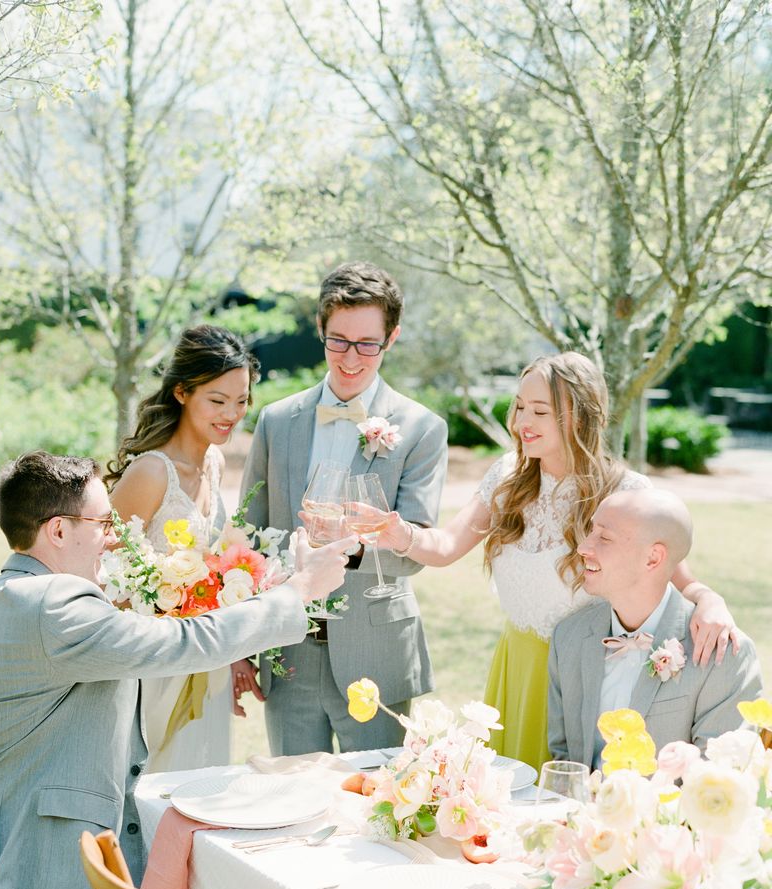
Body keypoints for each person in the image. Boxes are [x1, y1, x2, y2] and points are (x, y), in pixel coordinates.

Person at [0, 451, 353, 889]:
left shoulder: (5, 594)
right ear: (59, 532)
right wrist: (297, 595)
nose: (117, 535)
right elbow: (180, 645)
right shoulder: (55, 606)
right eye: (103, 522)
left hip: (11, 869)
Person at [377, 352, 739, 770]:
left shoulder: (624, 491)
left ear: (579, 417)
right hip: (515, 668)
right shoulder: (508, 478)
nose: (520, 422)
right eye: (519, 406)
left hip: (582, 676)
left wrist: (711, 601)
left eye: (539, 411)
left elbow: (673, 575)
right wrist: (398, 533)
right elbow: (443, 547)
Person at [235, 261, 448, 755]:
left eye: (367, 344)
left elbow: (414, 551)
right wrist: (242, 646)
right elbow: (249, 539)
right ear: (320, 330)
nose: (351, 358)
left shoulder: (421, 428)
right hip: (290, 649)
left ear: (390, 338)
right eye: (339, 340)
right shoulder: (276, 421)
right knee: (292, 803)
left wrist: (353, 541)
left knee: (375, 809)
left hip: (377, 653)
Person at [106, 325, 258, 772]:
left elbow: (216, 559)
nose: (232, 413)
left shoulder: (214, 461)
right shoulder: (152, 473)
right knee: (156, 784)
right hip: (150, 664)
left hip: (205, 654)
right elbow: (103, 574)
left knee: (202, 782)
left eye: (242, 400)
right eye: (218, 400)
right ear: (181, 393)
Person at [547, 489, 762, 767]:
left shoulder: (723, 654)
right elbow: (562, 759)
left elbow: (717, 778)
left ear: (653, 558)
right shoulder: (569, 636)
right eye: (591, 531)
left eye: (604, 538)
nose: (583, 547)